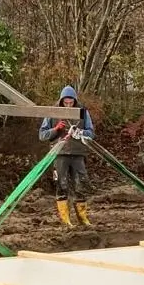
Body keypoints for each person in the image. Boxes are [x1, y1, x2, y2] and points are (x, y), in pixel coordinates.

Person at [39, 85, 95, 227]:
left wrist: (80, 132)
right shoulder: (52, 112)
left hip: (78, 154)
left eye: (71, 102)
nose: (69, 105)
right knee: (61, 185)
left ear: (75, 101)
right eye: (66, 102)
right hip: (60, 154)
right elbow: (42, 135)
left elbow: (91, 133)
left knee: (80, 185)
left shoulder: (83, 113)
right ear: (61, 100)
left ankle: (83, 218)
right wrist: (56, 129)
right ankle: (66, 220)